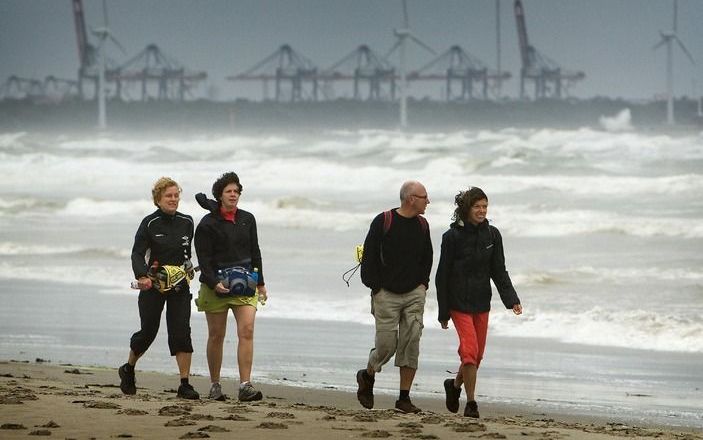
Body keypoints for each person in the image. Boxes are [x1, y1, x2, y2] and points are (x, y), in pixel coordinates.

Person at [435, 187, 522, 418]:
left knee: (477, 356)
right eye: (477, 206)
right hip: (458, 303)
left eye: (485, 206)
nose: (482, 210)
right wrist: (443, 312)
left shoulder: (492, 235)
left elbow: (498, 270)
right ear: (466, 209)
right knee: (470, 352)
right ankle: (471, 403)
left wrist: (511, 299)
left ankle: (453, 386)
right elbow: (441, 276)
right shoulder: (451, 237)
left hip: (482, 302)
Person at [119, 177, 199, 399]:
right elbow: (137, 253)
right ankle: (129, 368)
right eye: (168, 196)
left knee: (181, 331)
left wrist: (188, 269)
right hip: (152, 286)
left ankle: (184, 384)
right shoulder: (149, 223)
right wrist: (142, 276)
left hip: (179, 286)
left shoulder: (187, 222)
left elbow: (187, 254)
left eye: (176, 195)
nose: (173, 199)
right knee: (148, 333)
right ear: (158, 199)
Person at [356, 180, 433, 414]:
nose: (427, 201)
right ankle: (368, 375)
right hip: (386, 293)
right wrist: (376, 287)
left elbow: (427, 257)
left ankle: (404, 398)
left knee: (411, 342)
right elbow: (368, 257)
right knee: (386, 346)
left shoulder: (422, 224)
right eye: (424, 197)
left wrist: (423, 284)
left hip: (414, 293)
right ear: (411, 198)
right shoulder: (384, 221)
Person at [194, 172, 267, 402]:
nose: (233, 194)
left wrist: (262, 283)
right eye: (229, 191)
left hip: (245, 284)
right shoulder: (207, 224)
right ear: (220, 195)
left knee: (247, 331)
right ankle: (215, 385)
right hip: (216, 284)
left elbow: (255, 252)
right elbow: (203, 259)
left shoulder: (248, 219)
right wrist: (214, 283)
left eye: (236, 191)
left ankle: (245, 385)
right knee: (216, 335)